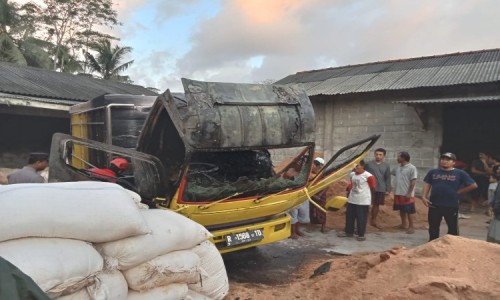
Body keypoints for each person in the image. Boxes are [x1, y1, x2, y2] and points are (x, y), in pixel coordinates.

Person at [422, 152, 477, 241]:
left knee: (452, 228)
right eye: (443, 159)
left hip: (451, 205)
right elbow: (427, 183)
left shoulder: (460, 173)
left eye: (448, 160)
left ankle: (453, 245)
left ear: (453, 162)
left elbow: (473, 185)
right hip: (434, 204)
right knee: (433, 227)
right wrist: (424, 196)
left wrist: (459, 191)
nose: (444, 161)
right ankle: (432, 244)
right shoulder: (433, 172)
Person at [337, 160, 375, 241]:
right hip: (352, 199)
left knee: (361, 217)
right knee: (349, 217)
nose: (356, 167)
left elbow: (373, 187)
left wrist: (370, 200)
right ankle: (349, 232)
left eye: (357, 166)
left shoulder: (368, 176)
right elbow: (351, 185)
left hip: (362, 200)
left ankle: (361, 234)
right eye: (354, 166)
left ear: (362, 166)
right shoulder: (352, 174)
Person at [364, 148, 391, 229]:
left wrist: (388, 189)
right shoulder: (368, 164)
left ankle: (373, 220)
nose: (378, 156)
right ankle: (364, 221)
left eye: (380, 155)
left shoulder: (386, 166)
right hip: (368, 188)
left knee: (376, 205)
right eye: (377, 154)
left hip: (380, 188)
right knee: (366, 204)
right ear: (374, 154)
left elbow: (388, 178)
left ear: (384, 156)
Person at [391, 151, 417, 234]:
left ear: (403, 158)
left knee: (409, 210)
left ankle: (411, 227)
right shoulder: (397, 168)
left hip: (407, 193)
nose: (397, 158)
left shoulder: (412, 168)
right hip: (398, 192)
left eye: (398, 157)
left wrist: (409, 193)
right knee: (402, 209)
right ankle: (403, 224)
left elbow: (413, 181)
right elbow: (392, 173)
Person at [309, 157, 327, 233]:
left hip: (321, 195)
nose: (315, 166)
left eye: (317, 164)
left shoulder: (323, 175)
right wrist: (312, 195)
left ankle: (323, 226)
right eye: (315, 164)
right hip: (312, 195)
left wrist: (319, 195)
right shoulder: (310, 174)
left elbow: (327, 185)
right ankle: (313, 224)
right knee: (312, 210)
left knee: (322, 210)